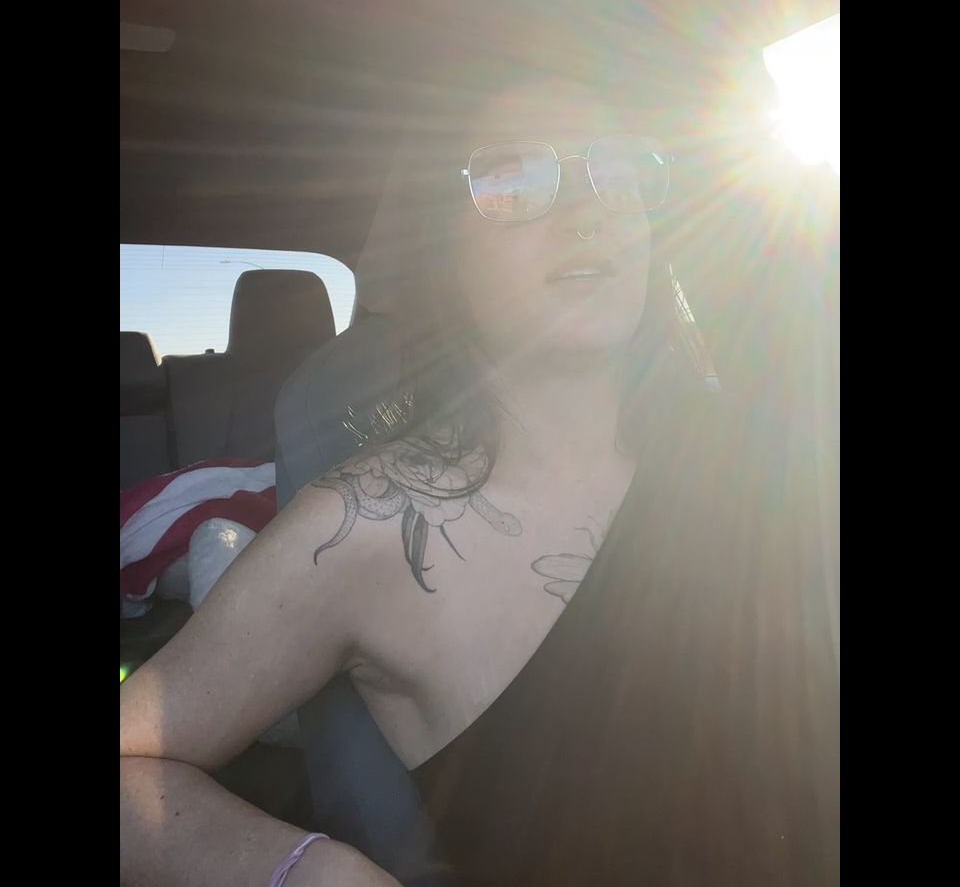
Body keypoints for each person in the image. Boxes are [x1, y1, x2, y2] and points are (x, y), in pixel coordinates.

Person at [121, 71, 839, 887]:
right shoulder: (367, 523)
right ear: (443, 243)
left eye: (615, 170)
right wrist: (309, 869)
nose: (588, 211)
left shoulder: (775, 457)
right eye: (514, 179)